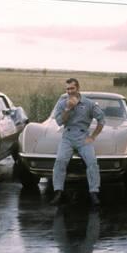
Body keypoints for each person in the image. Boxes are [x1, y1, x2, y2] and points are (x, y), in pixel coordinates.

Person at [50, 78, 105, 206]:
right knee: (60, 160)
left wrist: (93, 136)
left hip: (83, 136)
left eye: (72, 88)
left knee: (92, 162)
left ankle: (94, 192)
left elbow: (101, 120)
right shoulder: (62, 104)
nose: (69, 91)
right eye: (67, 89)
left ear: (78, 88)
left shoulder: (89, 103)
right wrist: (68, 109)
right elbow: (59, 122)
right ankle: (58, 192)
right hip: (67, 136)